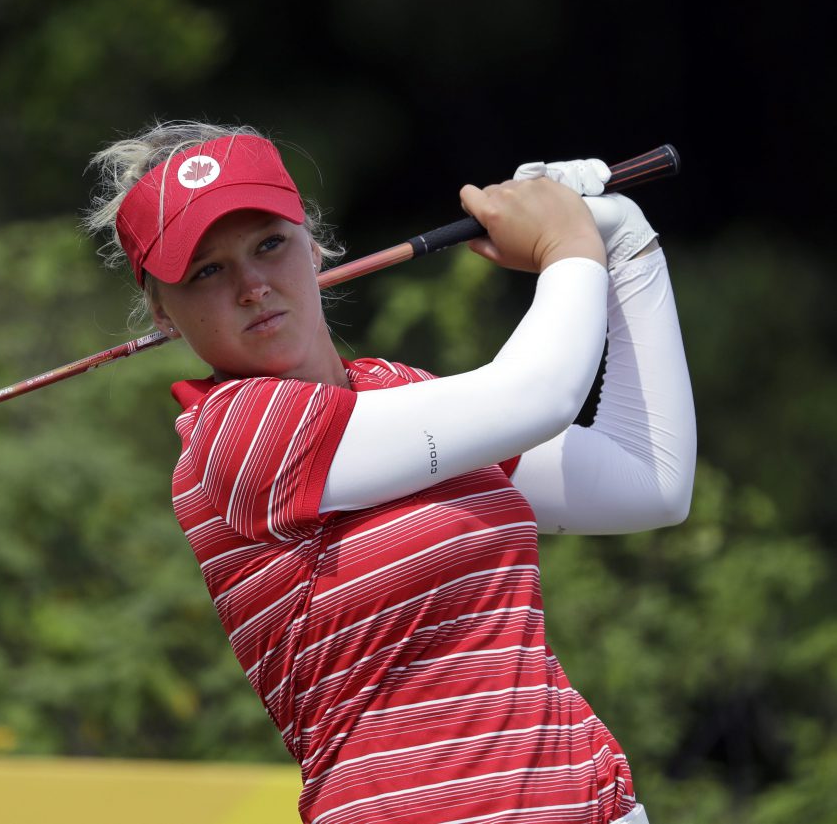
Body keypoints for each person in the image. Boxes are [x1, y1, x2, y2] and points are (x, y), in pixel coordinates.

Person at [83, 122, 695, 824]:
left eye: (269, 244)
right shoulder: (235, 437)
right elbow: (540, 393)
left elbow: (650, 478)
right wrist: (567, 244)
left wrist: (622, 236)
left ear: (313, 246)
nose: (252, 286)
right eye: (207, 271)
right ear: (163, 315)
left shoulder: (397, 392)